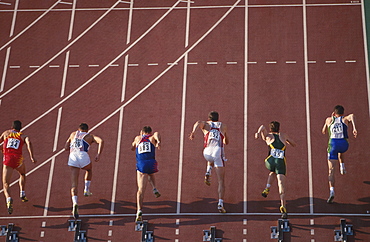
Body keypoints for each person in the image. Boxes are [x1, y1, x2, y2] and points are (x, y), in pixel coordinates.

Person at [189, 111, 229, 213]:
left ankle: (208, 171)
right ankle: (220, 203)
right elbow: (226, 141)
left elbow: (198, 122)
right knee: (221, 181)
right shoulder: (223, 126)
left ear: (209, 119)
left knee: (210, 158)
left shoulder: (206, 125)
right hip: (217, 151)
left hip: (206, 152)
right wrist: (225, 138)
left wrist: (193, 132)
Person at [255, 121, 296, 219]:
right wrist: (287, 142)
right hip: (280, 163)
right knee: (281, 185)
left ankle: (267, 188)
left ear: (270, 129)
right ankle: (283, 206)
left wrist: (258, 132)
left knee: (272, 171)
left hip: (269, 162)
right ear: (279, 128)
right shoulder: (283, 135)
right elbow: (294, 144)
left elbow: (262, 126)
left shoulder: (268, 137)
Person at [65, 123, 104, 219]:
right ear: (87, 130)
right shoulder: (90, 136)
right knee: (89, 170)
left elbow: (66, 147)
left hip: (73, 157)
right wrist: (98, 154)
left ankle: (75, 203)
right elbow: (101, 141)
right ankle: (86, 189)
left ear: (78, 129)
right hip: (83, 156)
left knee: (74, 185)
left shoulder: (73, 134)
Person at [322, 105, 357, 204]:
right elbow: (352, 116)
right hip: (344, 145)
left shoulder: (329, 120)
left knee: (331, 170)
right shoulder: (345, 119)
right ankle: (342, 167)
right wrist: (354, 127)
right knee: (341, 150)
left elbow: (323, 131)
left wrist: (327, 123)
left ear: (334, 113)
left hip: (333, 145)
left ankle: (332, 190)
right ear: (342, 113)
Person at [0, 120, 37, 214]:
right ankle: (22, 193)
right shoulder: (23, 136)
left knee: (6, 183)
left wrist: (3, 149)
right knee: (23, 174)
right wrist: (32, 157)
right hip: (18, 160)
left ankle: (8, 199)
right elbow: (29, 144)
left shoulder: (6, 133)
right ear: (20, 128)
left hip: (7, 160)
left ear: (11, 127)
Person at [131, 126, 161, 222]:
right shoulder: (152, 138)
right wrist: (158, 141)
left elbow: (132, 147)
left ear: (141, 132)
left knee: (140, 191)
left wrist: (133, 146)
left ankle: (139, 210)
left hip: (142, 164)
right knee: (150, 173)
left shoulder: (137, 138)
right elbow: (156, 134)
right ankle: (154, 188)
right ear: (150, 133)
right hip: (152, 163)